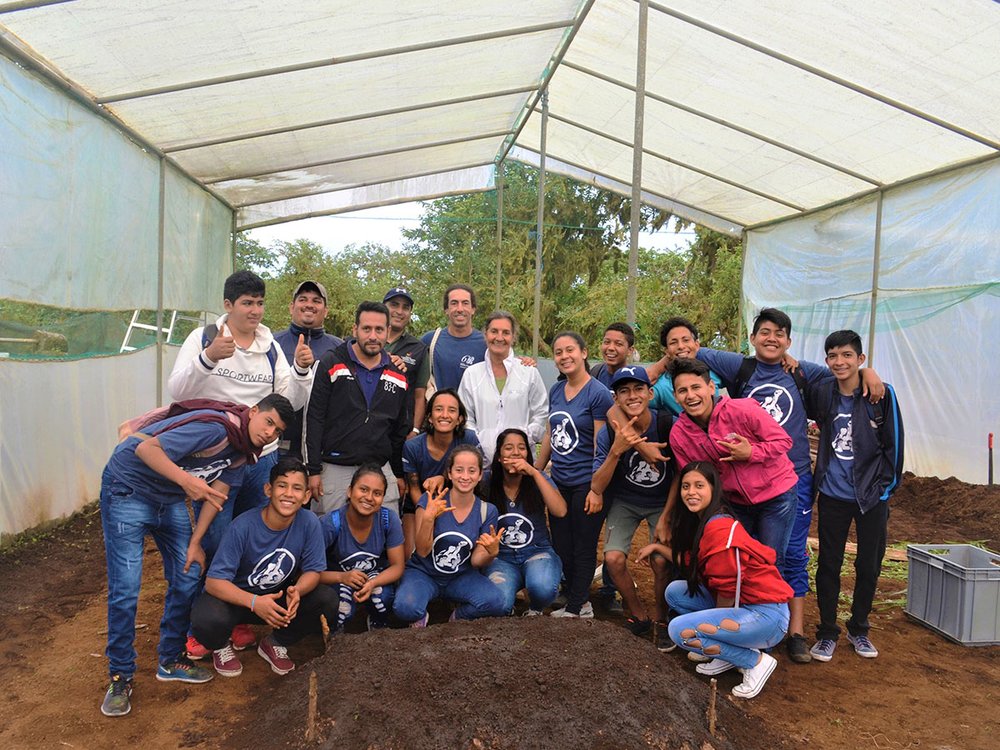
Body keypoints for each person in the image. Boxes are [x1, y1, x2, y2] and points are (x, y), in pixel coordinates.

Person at [695, 307, 884, 663]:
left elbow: (843, 373)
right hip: (746, 482)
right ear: (752, 339)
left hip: (792, 480)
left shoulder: (804, 373)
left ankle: (793, 631)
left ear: (789, 341)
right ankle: (752, 624)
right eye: (764, 332)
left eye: (779, 334)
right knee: (750, 554)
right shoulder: (741, 368)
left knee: (792, 554)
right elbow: (692, 350)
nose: (771, 339)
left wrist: (869, 371)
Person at [98, 394, 292, 717]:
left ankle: (171, 659)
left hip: (169, 498)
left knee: (189, 573)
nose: (270, 432)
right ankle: (120, 675)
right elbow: (145, 448)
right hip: (128, 488)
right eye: (268, 422)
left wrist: (196, 542)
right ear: (254, 412)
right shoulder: (216, 430)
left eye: (278, 431)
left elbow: (217, 497)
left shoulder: (243, 454)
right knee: (126, 589)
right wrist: (188, 482)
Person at [167, 270, 314, 659]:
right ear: (228, 306)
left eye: (260, 303)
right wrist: (207, 359)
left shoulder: (269, 346)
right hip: (217, 464)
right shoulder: (204, 339)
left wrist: (301, 371)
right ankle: (202, 626)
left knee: (253, 542)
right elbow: (177, 391)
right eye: (247, 303)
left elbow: (289, 402)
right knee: (214, 539)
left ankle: (240, 620)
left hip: (261, 462)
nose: (255, 310)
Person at [639, 462, 792, 699]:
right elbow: (694, 562)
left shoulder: (719, 528)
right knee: (675, 592)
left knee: (679, 631)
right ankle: (728, 655)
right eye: (686, 486)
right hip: (747, 607)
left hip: (766, 616)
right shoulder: (708, 520)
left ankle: (755, 661)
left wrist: (713, 633)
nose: (691, 492)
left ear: (713, 488)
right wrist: (658, 546)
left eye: (699, 485)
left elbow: (728, 590)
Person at [190, 456, 336, 678]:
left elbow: (313, 571)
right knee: (206, 619)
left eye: (297, 488)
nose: (289, 494)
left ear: (306, 496)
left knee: (326, 599)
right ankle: (220, 645)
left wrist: (298, 590)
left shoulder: (309, 523)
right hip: (237, 601)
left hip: (277, 600)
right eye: (282, 486)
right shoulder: (242, 527)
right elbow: (213, 582)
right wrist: (254, 602)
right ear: (268, 490)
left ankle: (275, 642)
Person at [657, 358, 798, 586]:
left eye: (696, 387)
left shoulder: (742, 410)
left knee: (769, 559)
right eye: (682, 391)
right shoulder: (680, 434)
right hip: (734, 503)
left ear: (711, 387)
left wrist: (751, 452)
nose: (690, 396)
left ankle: (771, 616)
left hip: (776, 495)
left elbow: (783, 441)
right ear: (675, 397)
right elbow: (692, 476)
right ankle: (739, 615)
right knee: (735, 559)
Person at [809, 330, 904, 662]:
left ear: (861, 359)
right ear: (826, 361)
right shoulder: (823, 393)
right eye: (833, 356)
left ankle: (859, 628)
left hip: (871, 496)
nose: (840, 362)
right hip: (833, 494)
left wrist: (885, 490)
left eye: (847, 355)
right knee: (829, 564)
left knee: (868, 564)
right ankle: (826, 632)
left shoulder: (881, 395)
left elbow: (894, 445)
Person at [591, 367, 675, 649]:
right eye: (624, 391)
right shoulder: (608, 435)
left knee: (661, 560)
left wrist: (666, 515)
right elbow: (598, 486)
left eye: (638, 389)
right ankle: (639, 614)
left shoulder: (667, 425)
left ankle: (663, 619)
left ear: (650, 393)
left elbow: (682, 474)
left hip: (663, 501)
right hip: (626, 501)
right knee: (613, 559)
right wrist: (617, 450)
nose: (632, 396)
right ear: (616, 399)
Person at [534, 331, 614, 619]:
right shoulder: (556, 390)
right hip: (560, 480)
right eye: (558, 352)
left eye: (570, 350)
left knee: (583, 543)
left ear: (583, 352)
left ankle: (579, 606)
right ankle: (575, 595)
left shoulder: (598, 394)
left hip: (585, 482)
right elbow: (550, 433)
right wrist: (538, 471)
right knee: (562, 543)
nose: (564, 356)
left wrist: (596, 488)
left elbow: (600, 446)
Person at [305, 301, 410, 515]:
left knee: (385, 536)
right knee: (328, 536)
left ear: (388, 332)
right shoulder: (332, 362)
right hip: (335, 467)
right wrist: (313, 470)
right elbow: (314, 418)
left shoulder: (397, 374)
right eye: (366, 329)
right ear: (355, 330)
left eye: (379, 329)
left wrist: (397, 473)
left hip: (380, 469)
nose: (373, 336)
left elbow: (399, 430)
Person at [393, 445, 506, 625]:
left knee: (497, 602)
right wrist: (429, 518)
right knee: (404, 607)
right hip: (424, 573)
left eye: (472, 471)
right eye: (459, 470)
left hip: (460, 576)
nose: (465, 476)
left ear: (479, 476)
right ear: (450, 474)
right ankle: (419, 615)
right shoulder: (431, 500)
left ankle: (458, 618)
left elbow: (477, 561)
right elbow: (422, 550)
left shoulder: (487, 510)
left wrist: (491, 552)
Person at [483, 429, 567, 615]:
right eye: (508, 448)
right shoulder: (487, 481)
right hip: (500, 558)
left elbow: (560, 510)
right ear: (498, 456)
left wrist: (535, 473)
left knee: (543, 589)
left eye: (521, 448)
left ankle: (534, 608)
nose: (515, 452)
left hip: (536, 552)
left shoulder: (538, 479)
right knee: (499, 604)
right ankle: (510, 604)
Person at [318, 464, 406, 633]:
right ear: (350, 491)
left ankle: (378, 623)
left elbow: (398, 566)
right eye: (363, 489)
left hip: (373, 576)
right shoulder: (331, 524)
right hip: (339, 578)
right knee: (343, 608)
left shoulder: (388, 520)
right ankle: (336, 632)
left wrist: (373, 582)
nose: (369, 497)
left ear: (382, 499)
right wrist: (341, 577)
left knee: (382, 596)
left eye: (377, 493)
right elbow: (309, 571)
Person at [457, 311, 548, 463]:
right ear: (485, 335)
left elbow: (541, 413)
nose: (499, 338)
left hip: (521, 462)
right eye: (494, 332)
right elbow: (465, 417)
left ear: (513, 337)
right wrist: (479, 444)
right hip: (482, 463)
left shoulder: (529, 372)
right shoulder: (472, 374)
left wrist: (521, 443)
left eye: (506, 332)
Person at [402, 389, 481, 556]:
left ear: (460, 419)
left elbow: (476, 475)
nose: (444, 415)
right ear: (429, 417)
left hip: (458, 503)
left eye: (452, 410)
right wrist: (429, 511)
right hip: (420, 503)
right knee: (412, 556)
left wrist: (442, 476)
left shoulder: (469, 439)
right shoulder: (413, 447)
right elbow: (414, 489)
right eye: (438, 409)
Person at [274, 280, 343, 459]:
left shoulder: (340, 348)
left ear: (325, 311)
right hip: (278, 444)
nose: (309, 305)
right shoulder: (272, 344)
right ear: (292, 307)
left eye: (316, 301)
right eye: (303, 299)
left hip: (322, 447)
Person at [646, 317, 722, 417]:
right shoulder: (661, 387)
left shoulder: (714, 370)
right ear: (667, 352)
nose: (681, 346)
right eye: (673, 342)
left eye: (686, 340)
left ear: (697, 345)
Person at [421, 284, 486, 393]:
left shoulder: (486, 343)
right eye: (454, 303)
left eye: (465, 303)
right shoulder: (430, 340)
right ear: (446, 309)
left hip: (473, 409)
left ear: (473, 309)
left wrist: (524, 361)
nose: (460, 309)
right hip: (439, 408)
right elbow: (409, 362)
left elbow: (506, 366)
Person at [383, 286, 430, 436]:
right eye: (394, 305)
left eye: (405, 307)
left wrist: (415, 430)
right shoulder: (367, 340)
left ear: (410, 313)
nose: (399, 311)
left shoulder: (419, 348)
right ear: (383, 307)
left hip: (400, 430)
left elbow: (420, 394)